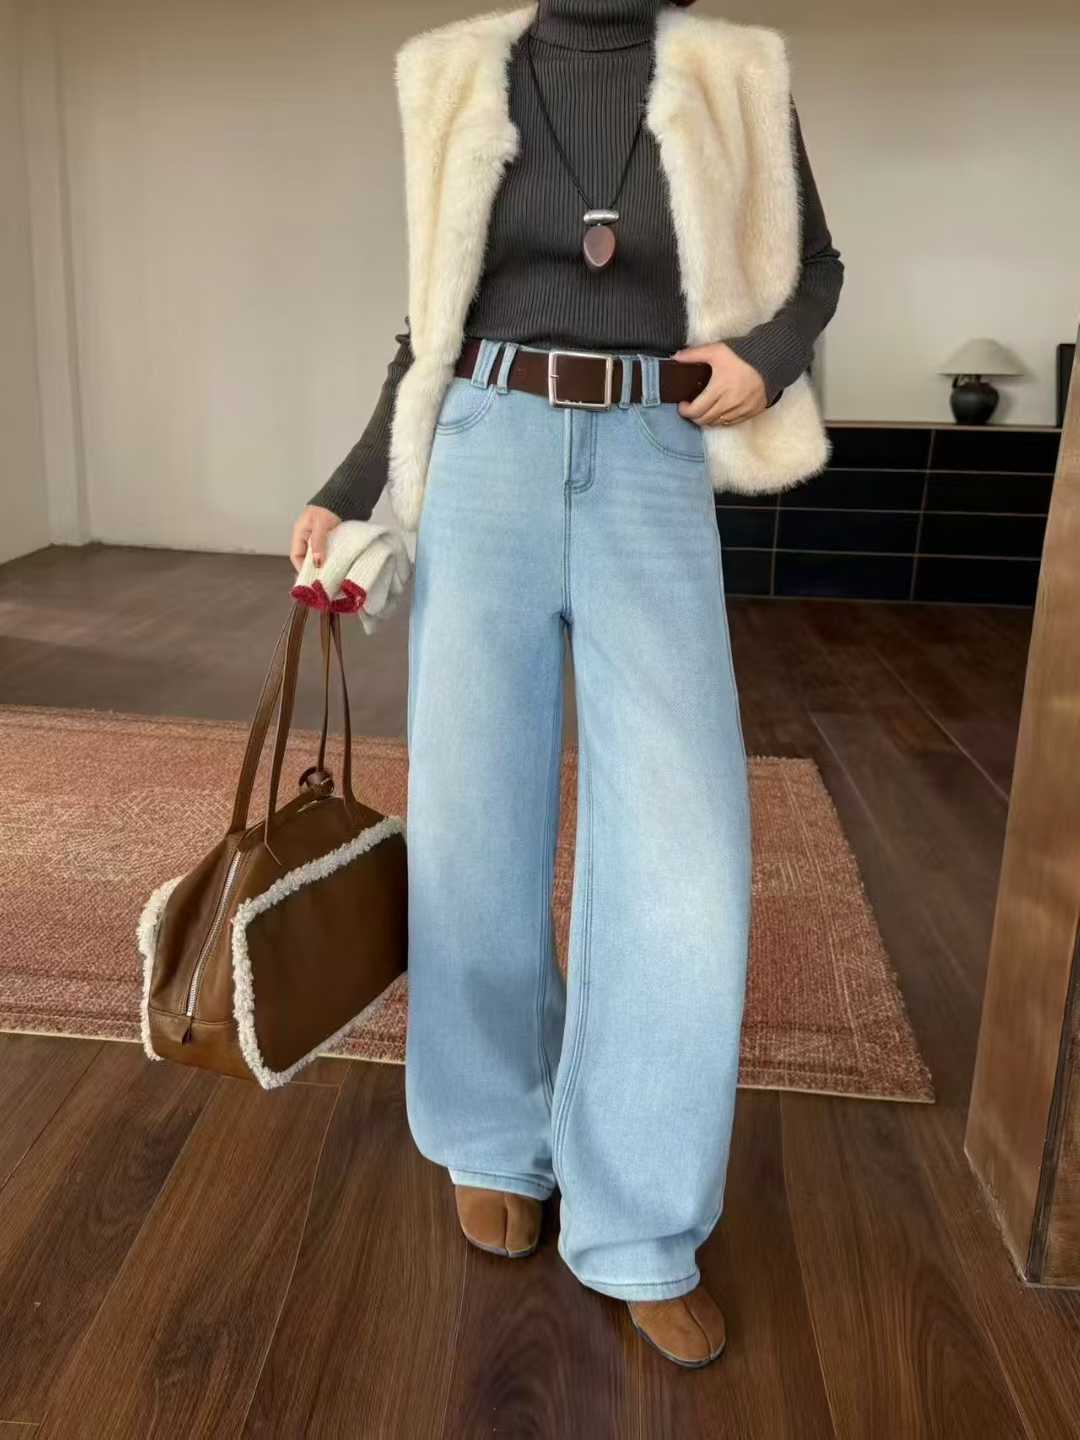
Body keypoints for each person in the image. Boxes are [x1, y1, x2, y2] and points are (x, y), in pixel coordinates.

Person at [290, 0, 842, 1369]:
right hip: (485, 448)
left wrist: (765, 361)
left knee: (684, 844)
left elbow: (817, 269)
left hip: (654, 454)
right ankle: (496, 1136)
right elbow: (429, 324)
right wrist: (352, 486)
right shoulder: (456, 71)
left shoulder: (734, 70)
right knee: (475, 820)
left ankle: (642, 1218)